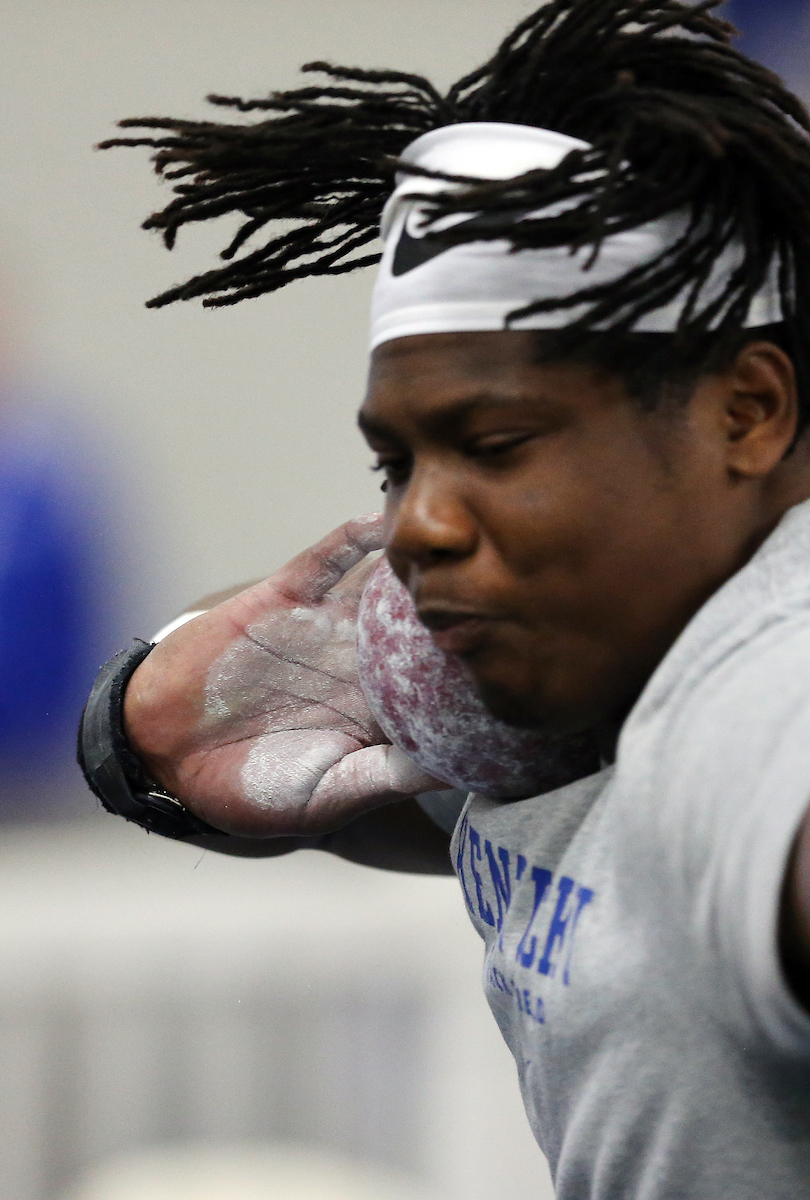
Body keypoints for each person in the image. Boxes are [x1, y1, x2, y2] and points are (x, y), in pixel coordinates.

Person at [81, 2, 810, 1194]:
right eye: (399, 460)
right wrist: (133, 726)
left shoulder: (756, 682)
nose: (418, 520)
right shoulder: (568, 674)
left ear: (748, 411)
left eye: (499, 439)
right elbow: (275, 770)